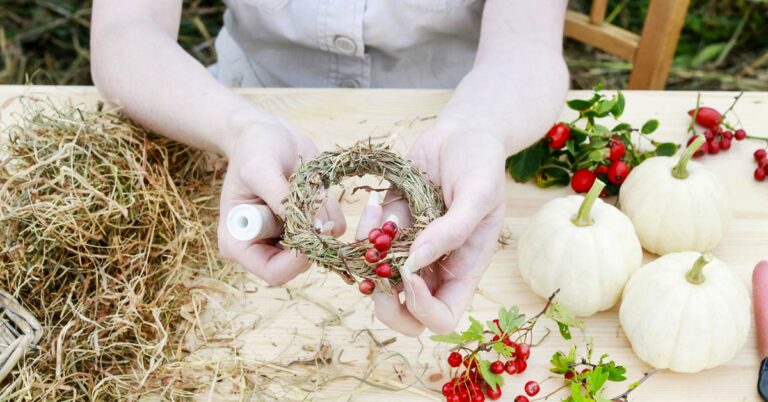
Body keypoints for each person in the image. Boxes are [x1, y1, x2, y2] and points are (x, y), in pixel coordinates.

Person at [90, 0, 569, 336]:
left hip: (447, 123)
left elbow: (527, 39)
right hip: (234, 118)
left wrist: (480, 127)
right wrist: (237, 129)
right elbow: (125, 31)